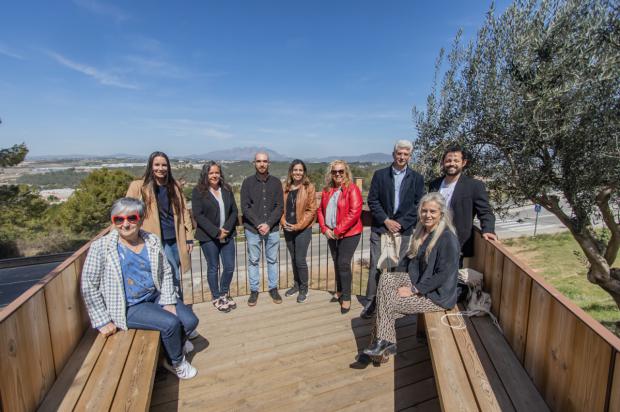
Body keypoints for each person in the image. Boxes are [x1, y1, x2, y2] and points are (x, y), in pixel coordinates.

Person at [81, 197, 199, 379]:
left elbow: (166, 272)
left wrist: (167, 300)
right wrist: (102, 320)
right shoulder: (101, 247)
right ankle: (175, 361)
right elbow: (89, 284)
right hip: (129, 306)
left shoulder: (151, 240)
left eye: (131, 218)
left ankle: (178, 343)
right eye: (119, 219)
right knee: (171, 323)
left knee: (190, 321)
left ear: (141, 219)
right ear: (113, 221)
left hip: (154, 295)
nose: (125, 224)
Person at [362, 192, 459, 361]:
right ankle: (384, 343)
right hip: (419, 280)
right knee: (385, 279)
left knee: (386, 303)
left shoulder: (447, 238)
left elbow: (443, 275)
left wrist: (414, 290)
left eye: (432, 212)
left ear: (441, 214)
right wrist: (399, 278)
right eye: (424, 210)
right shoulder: (423, 231)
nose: (427, 215)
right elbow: (410, 258)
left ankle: (381, 346)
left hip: (436, 295)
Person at [362, 140, 425, 319]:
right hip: (381, 229)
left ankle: (395, 303)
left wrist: (402, 224)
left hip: (403, 231)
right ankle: (372, 302)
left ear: (410, 156)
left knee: (400, 266)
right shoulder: (380, 175)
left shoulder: (417, 178)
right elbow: (372, 200)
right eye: (399, 153)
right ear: (393, 154)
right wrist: (386, 221)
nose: (402, 157)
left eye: (406, 154)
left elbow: (418, 205)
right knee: (376, 266)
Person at [126, 151, 194, 301]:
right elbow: (126, 210)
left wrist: (189, 237)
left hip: (176, 238)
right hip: (154, 239)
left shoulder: (173, 186)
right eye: (157, 165)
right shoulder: (139, 186)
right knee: (171, 273)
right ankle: (176, 305)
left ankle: (174, 304)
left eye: (164, 165)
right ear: (150, 166)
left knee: (174, 274)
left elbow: (184, 212)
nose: (160, 168)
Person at [428, 144, 497, 262]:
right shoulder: (434, 184)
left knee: (450, 279)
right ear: (443, 162)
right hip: (433, 239)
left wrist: (488, 230)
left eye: (456, 160)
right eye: (448, 160)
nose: (452, 164)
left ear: (463, 163)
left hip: (458, 243)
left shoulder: (474, 186)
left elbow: (485, 211)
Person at [192, 161, 239, 313]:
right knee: (213, 267)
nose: (214, 175)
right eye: (211, 173)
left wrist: (226, 229)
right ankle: (216, 296)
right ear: (206, 174)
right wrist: (216, 232)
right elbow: (198, 215)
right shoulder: (198, 191)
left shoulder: (226, 189)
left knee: (230, 266)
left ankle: (224, 293)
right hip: (208, 237)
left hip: (228, 234)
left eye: (217, 172)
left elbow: (234, 211)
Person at [317, 160, 363, 314]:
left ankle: (347, 297)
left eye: (341, 171)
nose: (338, 174)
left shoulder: (352, 189)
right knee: (336, 262)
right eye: (334, 172)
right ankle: (340, 289)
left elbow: (354, 212)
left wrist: (337, 230)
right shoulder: (326, 190)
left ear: (346, 172)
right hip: (330, 233)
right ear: (331, 174)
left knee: (343, 263)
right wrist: (324, 229)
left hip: (349, 233)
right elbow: (320, 211)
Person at [240, 151, 284, 306]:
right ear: (254, 163)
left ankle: (273, 288)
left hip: (272, 230)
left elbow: (280, 207)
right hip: (253, 230)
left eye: (265, 161)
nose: (262, 164)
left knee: (272, 260)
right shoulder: (247, 183)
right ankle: (254, 291)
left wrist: (268, 224)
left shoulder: (276, 182)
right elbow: (245, 207)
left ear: (269, 163)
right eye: (259, 161)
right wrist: (259, 224)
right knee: (253, 261)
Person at [281, 159, 318, 303]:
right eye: (295, 170)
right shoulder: (285, 186)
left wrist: (298, 226)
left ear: (304, 172)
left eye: (300, 170)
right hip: (287, 228)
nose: (297, 173)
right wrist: (283, 221)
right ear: (291, 171)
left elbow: (311, 209)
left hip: (303, 229)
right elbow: (280, 207)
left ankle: (304, 288)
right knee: (293, 257)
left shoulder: (309, 187)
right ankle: (296, 285)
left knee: (300, 259)